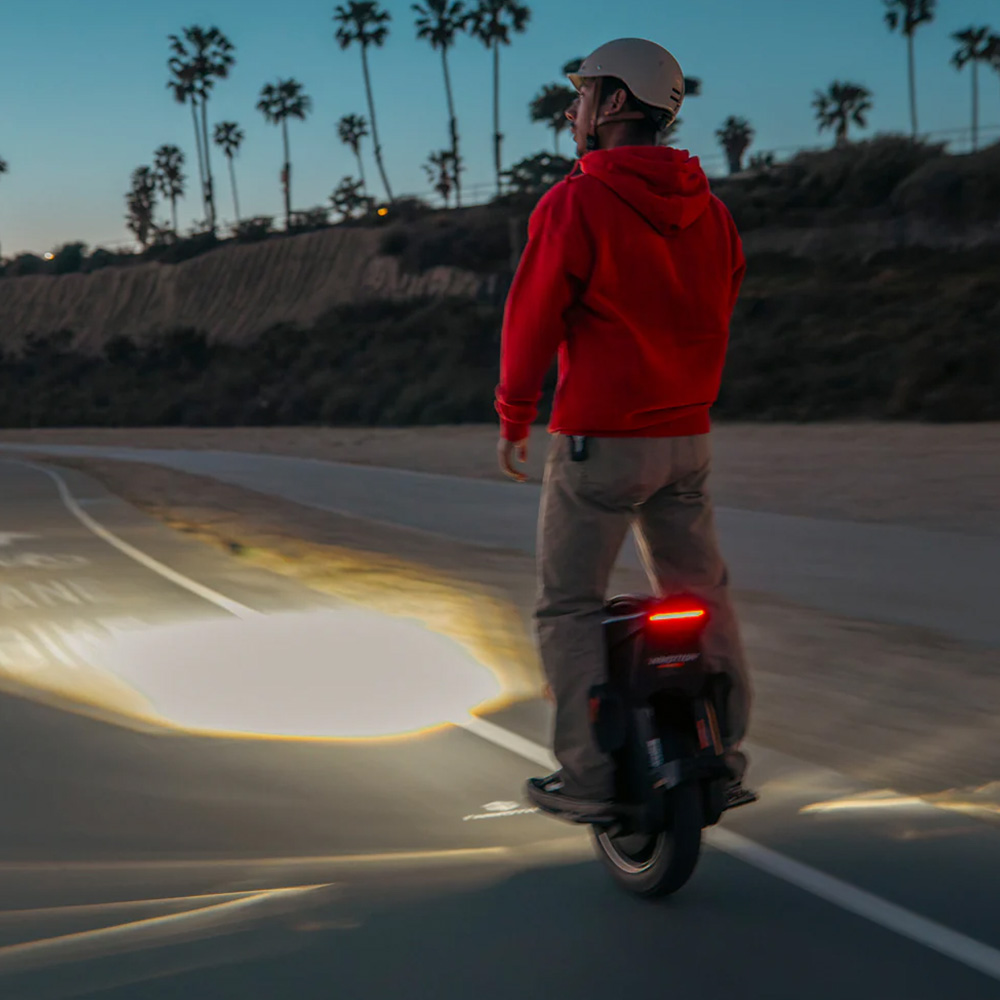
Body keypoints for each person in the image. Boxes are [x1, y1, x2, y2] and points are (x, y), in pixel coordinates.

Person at [494, 37, 754, 822]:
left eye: (582, 96)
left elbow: (531, 319)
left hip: (598, 444)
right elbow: (720, 310)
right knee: (700, 590)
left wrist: (514, 414)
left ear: (612, 107)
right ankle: (725, 754)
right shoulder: (713, 214)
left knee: (569, 605)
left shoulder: (573, 203)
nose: (572, 111)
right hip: (688, 443)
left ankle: (587, 778)